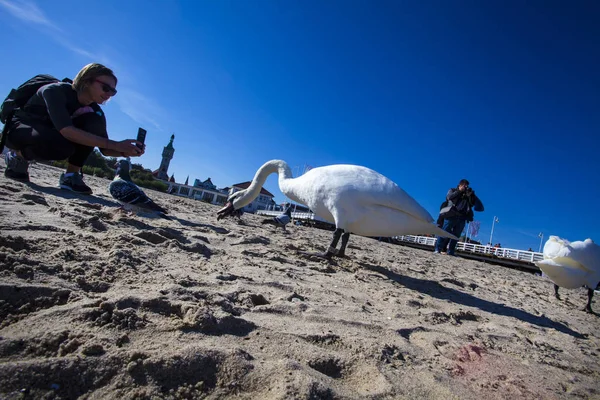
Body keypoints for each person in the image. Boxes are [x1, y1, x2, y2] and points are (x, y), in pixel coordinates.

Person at [3, 63, 144, 193]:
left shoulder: (96, 112)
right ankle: (17, 157)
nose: (109, 94)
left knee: (92, 123)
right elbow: (66, 130)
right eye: (105, 88)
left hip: (54, 134)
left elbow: (105, 149)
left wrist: (125, 151)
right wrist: (115, 144)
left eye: (113, 92)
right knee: (57, 145)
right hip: (23, 128)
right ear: (86, 81)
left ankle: (71, 175)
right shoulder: (54, 90)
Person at [434, 179, 483, 256]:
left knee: (456, 236)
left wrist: (472, 196)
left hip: (462, 217)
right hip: (451, 215)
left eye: (467, 186)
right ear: (460, 185)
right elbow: (449, 197)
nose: (466, 187)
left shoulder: (468, 195)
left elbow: (478, 206)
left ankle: (451, 251)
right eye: (464, 185)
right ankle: (437, 249)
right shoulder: (453, 190)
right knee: (444, 232)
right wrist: (459, 191)